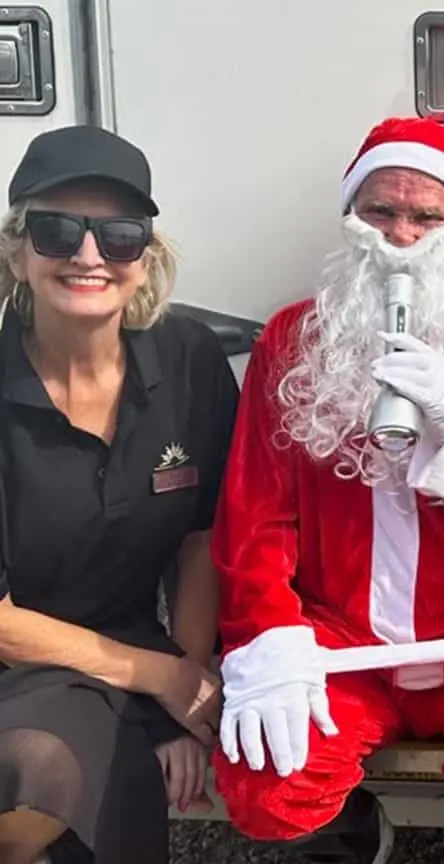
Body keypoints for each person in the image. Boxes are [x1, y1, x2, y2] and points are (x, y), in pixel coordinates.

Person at [210, 116, 444, 864]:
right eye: (380, 211)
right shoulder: (291, 338)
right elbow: (254, 515)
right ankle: (356, 838)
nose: (401, 235)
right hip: (339, 638)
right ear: (351, 219)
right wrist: (266, 637)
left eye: (426, 215)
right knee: (265, 782)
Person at [0, 125, 237, 864]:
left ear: (147, 258)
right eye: (57, 230)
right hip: (20, 660)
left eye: (120, 235)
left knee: (67, 791)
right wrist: (161, 677)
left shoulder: (192, 362)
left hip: (125, 655)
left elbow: (202, 537)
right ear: (16, 251)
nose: (89, 255)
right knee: (31, 777)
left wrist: (187, 680)